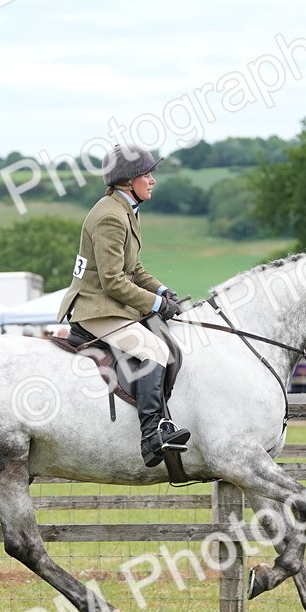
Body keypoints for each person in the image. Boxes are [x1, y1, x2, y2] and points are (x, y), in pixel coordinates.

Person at [56, 142, 190, 467]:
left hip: (112, 303)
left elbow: (136, 268)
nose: (153, 180)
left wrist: (165, 292)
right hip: (96, 308)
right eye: (147, 174)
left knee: (167, 339)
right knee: (153, 351)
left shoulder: (126, 210)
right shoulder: (109, 217)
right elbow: (113, 281)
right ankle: (151, 435)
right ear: (128, 180)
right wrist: (156, 304)